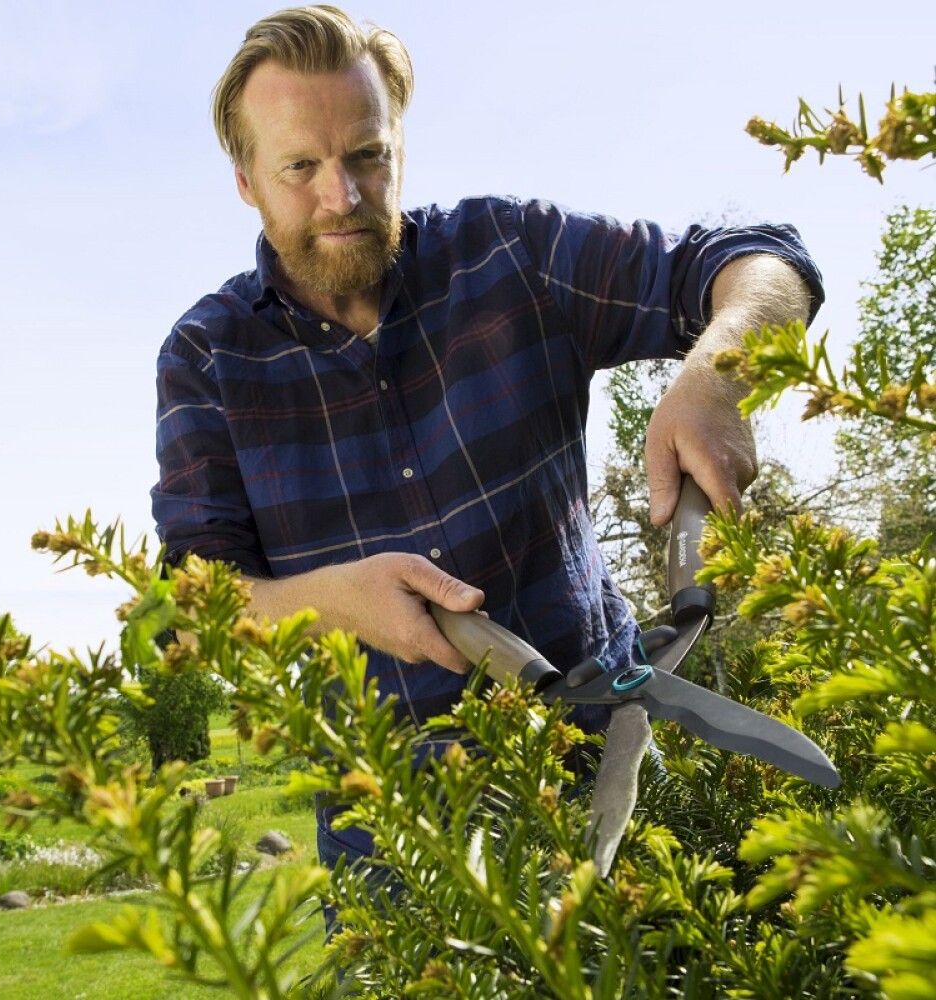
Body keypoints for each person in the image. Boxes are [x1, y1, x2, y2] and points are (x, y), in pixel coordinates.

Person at [150, 4, 823, 896]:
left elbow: (760, 258)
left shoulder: (508, 253)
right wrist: (330, 603)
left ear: (398, 146)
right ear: (245, 181)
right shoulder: (206, 358)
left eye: (366, 156)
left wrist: (720, 371)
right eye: (301, 167)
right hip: (391, 834)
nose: (341, 198)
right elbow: (192, 609)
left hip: (606, 754)